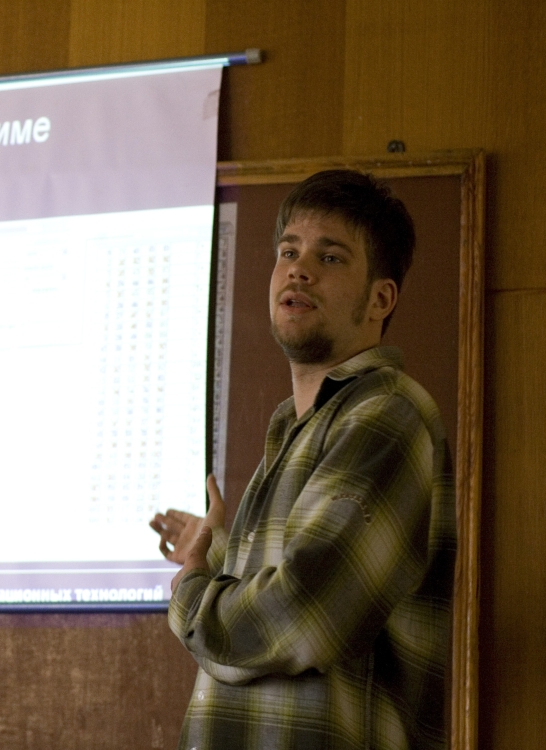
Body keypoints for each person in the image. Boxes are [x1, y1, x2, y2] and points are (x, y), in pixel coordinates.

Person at [150, 170, 456, 750]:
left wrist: (192, 595)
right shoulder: (295, 427)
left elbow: (306, 613)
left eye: (330, 257)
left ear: (380, 299)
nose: (298, 269)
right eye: (289, 252)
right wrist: (216, 552)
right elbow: (295, 586)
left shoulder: (386, 413)